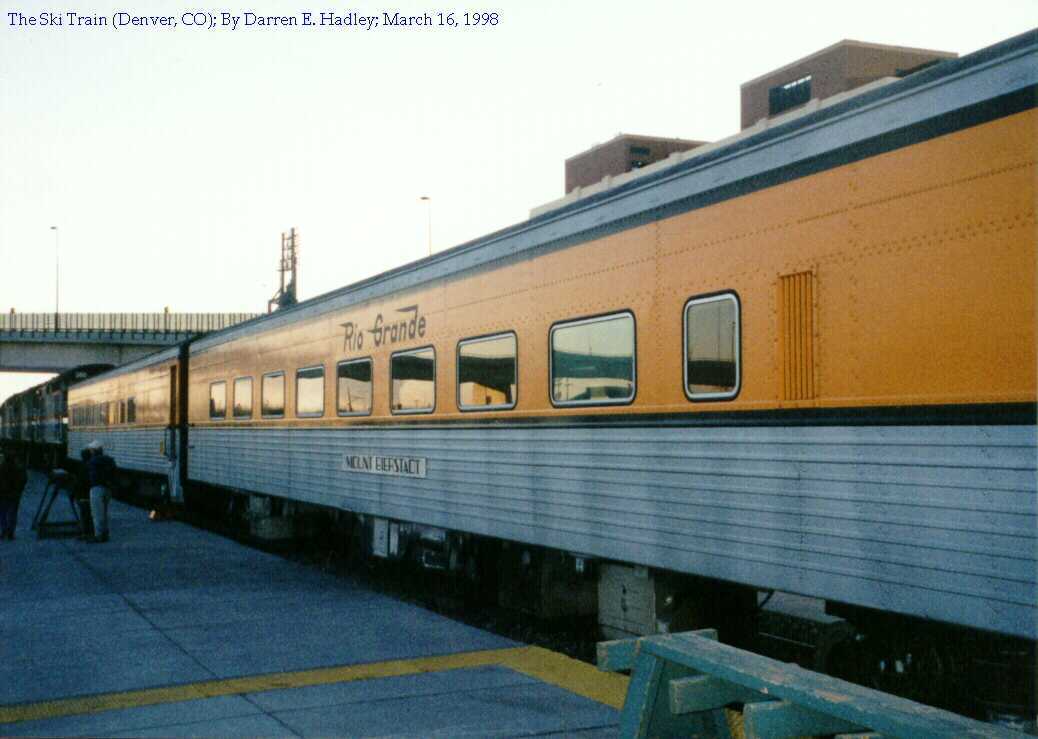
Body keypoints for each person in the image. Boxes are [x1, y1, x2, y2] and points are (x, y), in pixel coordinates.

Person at [85, 441, 117, 543]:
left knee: (97, 514)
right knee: (105, 512)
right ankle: (105, 533)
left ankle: (98, 535)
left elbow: (89, 475)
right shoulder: (109, 460)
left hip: (96, 489)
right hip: (107, 489)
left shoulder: (92, 462)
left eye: (90, 450)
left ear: (94, 451)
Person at [0, 450, 28, 540]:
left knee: (3, 513)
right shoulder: (19, 468)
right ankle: (11, 532)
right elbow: (24, 479)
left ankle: (4, 530)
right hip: (15, 495)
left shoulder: (2, 468)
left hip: (3, 494)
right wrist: (20, 490)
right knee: (13, 514)